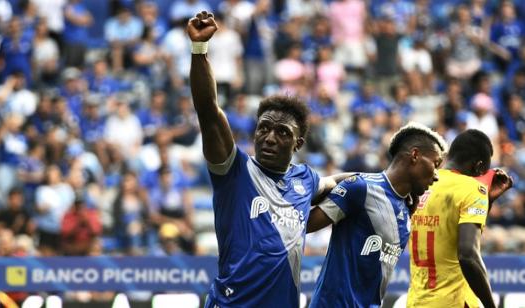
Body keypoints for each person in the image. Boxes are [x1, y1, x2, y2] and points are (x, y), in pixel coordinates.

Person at [186, 11, 342, 307]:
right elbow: (208, 110)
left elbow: (335, 183)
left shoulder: (304, 180)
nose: (270, 137)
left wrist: (386, 187)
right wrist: (199, 50)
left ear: (298, 143)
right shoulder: (234, 171)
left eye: (282, 132)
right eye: (264, 128)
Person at [307, 122, 447, 308]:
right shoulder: (361, 188)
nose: (436, 175)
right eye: (435, 164)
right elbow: (302, 225)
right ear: (415, 155)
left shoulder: (407, 211)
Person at [407, 129, 513, 308]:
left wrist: (487, 202)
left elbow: (450, 230)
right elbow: (467, 255)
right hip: (454, 302)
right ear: (478, 166)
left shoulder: (424, 184)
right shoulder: (471, 189)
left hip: (417, 301)